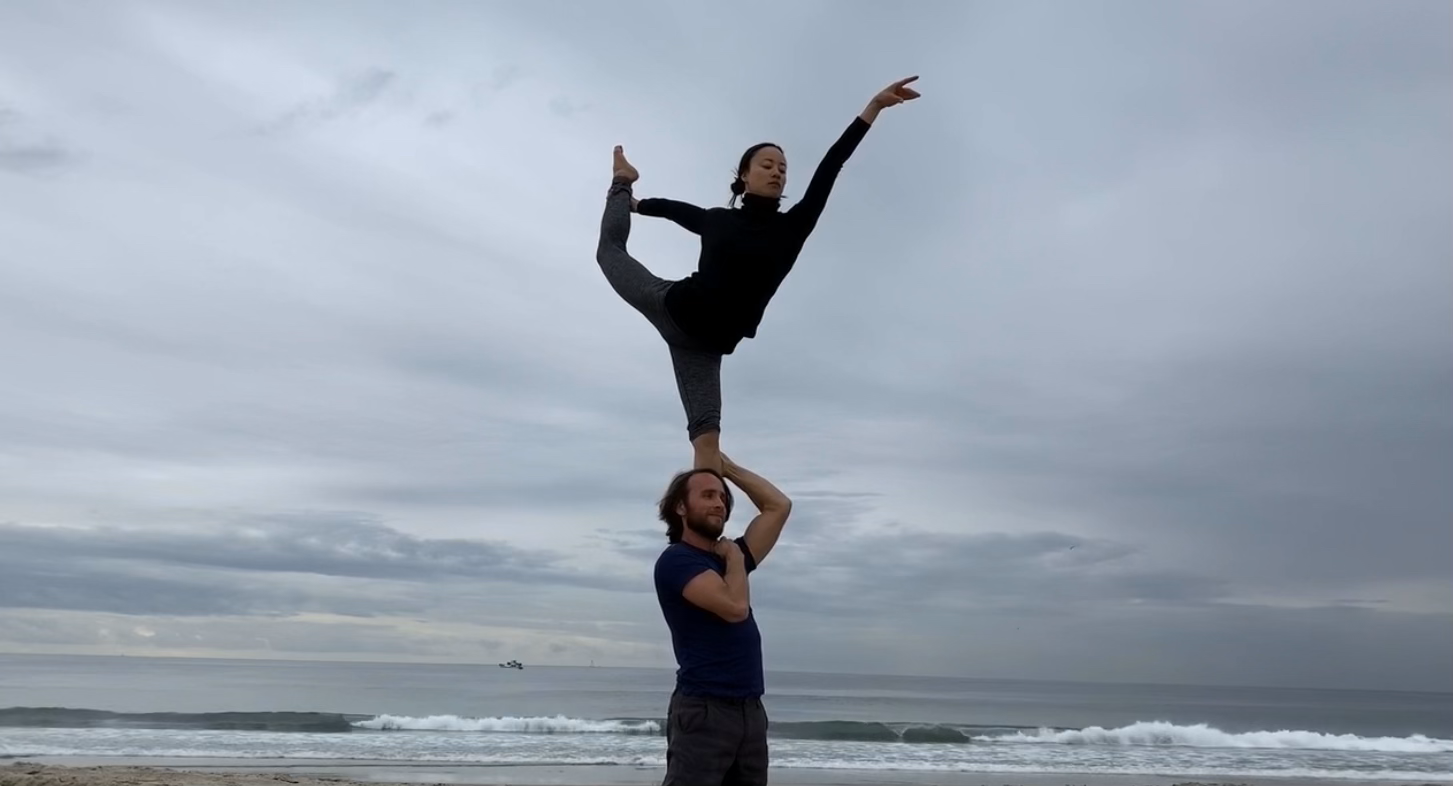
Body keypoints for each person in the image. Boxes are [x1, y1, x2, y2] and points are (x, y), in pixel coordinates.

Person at [596, 76, 922, 473]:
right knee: (609, 252)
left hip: (705, 349)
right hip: (671, 306)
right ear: (745, 175)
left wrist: (872, 108)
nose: (777, 173)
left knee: (706, 438)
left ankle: (704, 527)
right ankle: (621, 181)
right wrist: (638, 204)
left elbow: (832, 164)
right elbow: (680, 211)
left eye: (783, 168)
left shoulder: (795, 225)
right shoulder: (718, 220)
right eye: (767, 165)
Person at [652, 455, 792, 786]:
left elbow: (778, 506)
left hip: (751, 711)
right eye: (707, 495)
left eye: (722, 497)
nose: (719, 503)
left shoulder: (731, 562)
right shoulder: (676, 561)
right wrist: (734, 558)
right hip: (704, 711)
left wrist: (726, 468)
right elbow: (734, 607)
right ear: (681, 508)